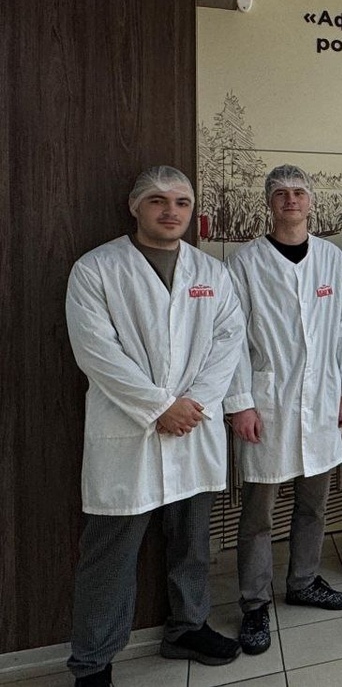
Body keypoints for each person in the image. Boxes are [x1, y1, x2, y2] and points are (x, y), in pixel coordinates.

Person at [65, 167, 246, 686]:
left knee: (192, 542)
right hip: (130, 432)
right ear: (135, 206)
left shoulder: (212, 273)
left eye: (182, 202)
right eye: (158, 201)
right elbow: (97, 353)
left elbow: (229, 341)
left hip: (194, 426)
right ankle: (92, 663)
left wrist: (193, 403)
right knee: (110, 555)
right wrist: (159, 407)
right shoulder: (96, 269)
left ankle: (187, 628)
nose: (171, 211)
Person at [224, 165, 342, 656]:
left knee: (314, 504)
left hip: (322, 399)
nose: (291, 200)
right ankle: (254, 602)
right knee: (258, 515)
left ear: (311, 201)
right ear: (269, 202)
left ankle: (303, 581)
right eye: (281, 193)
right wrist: (240, 402)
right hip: (267, 402)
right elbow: (231, 341)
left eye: (299, 192)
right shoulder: (245, 264)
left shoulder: (330, 260)